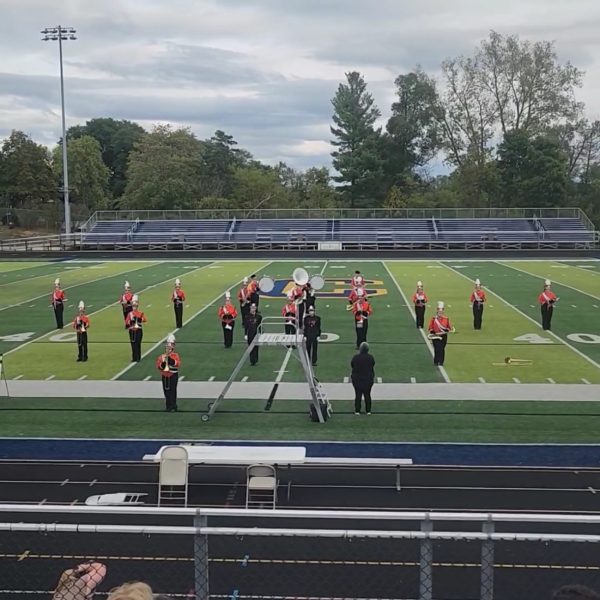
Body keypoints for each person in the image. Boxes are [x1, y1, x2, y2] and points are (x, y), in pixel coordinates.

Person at [156, 334, 180, 412]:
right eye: (167, 348)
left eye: (170, 348)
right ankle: (168, 405)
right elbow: (159, 366)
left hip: (173, 375)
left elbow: (177, 364)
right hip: (165, 376)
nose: (168, 349)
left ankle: (173, 406)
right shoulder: (162, 356)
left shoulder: (175, 355)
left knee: (173, 391)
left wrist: (170, 360)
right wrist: (163, 363)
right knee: (166, 391)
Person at [350, 342, 375, 415]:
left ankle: (357, 410)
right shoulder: (370, 357)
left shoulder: (356, 357)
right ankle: (368, 410)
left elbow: (352, 365)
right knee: (367, 394)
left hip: (357, 379)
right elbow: (373, 364)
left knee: (358, 394)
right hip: (368, 379)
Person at [428, 301, 453, 366]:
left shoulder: (446, 319)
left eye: (441, 312)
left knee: (442, 349)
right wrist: (432, 330)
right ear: (437, 312)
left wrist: (446, 329)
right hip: (435, 335)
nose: (440, 313)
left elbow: (449, 327)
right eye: (439, 312)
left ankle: (441, 361)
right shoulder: (433, 319)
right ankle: (436, 361)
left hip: (443, 336)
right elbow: (430, 327)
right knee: (437, 348)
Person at [125, 294, 147, 362]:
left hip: (138, 330)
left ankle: (138, 357)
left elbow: (145, 320)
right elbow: (126, 322)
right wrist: (130, 322)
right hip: (132, 331)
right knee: (133, 344)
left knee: (138, 344)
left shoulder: (140, 313)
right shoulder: (130, 314)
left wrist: (139, 319)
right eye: (133, 306)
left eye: (135, 306)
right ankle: (134, 357)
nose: (134, 307)